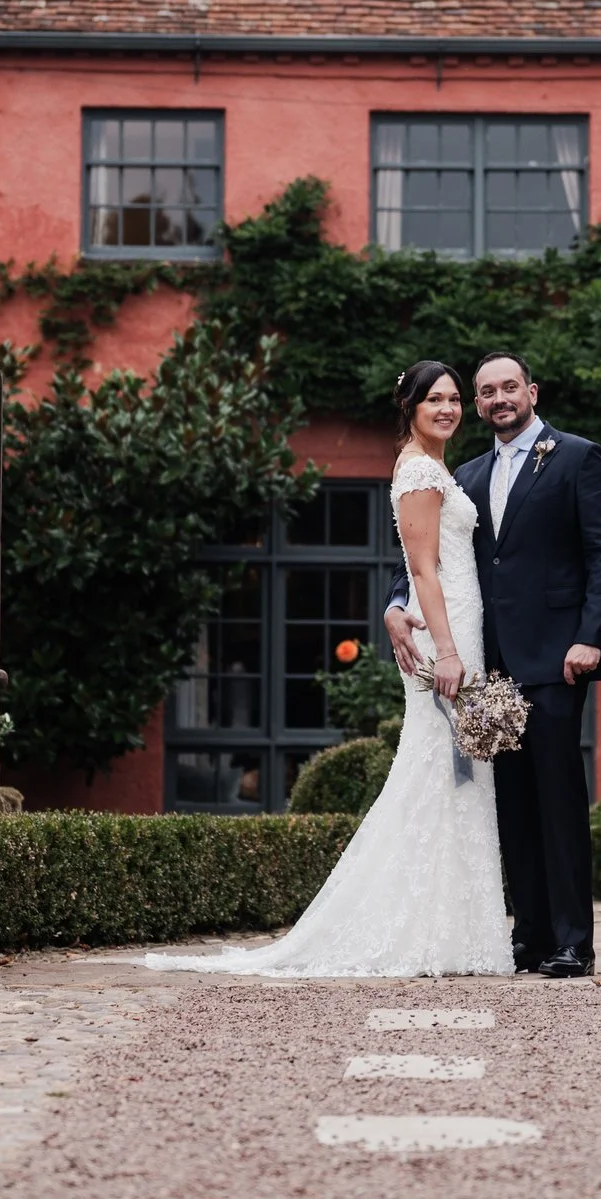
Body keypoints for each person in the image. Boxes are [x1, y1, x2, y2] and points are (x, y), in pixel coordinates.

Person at [144, 361, 514, 977]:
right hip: (448, 634)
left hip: (463, 626)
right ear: (411, 410)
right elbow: (423, 569)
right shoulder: (420, 471)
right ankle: (420, 931)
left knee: (458, 776)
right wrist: (447, 651)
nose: (447, 409)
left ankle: (455, 931)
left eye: (454, 399)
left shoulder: (440, 468)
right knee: (436, 769)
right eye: (434, 400)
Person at [387, 352, 601, 978]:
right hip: (487, 664)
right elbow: (424, 549)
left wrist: (591, 637)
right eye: (486, 391)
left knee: (558, 799)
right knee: (510, 803)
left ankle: (574, 941)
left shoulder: (578, 457)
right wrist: (394, 603)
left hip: (556, 658)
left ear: (531, 392)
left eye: (508, 388)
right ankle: (531, 937)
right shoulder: (462, 472)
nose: (498, 399)